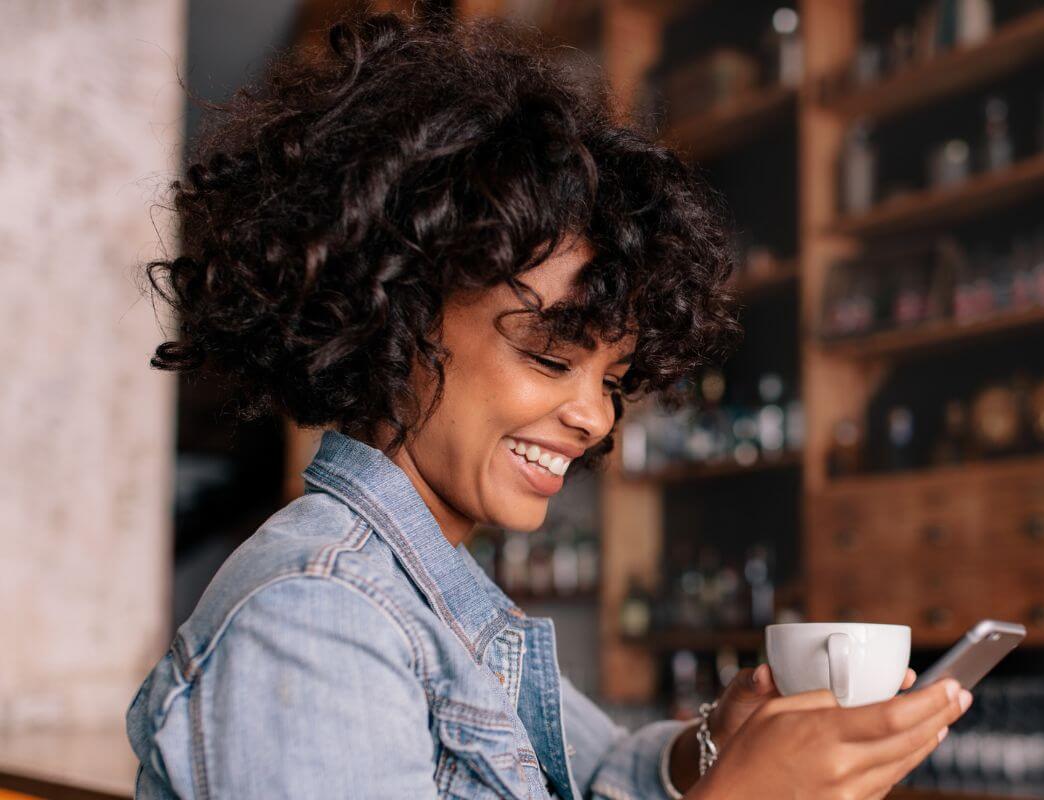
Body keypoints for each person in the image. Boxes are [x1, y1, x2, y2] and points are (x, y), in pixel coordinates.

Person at [126, 10, 970, 799]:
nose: (596, 418)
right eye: (549, 355)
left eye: (610, 378)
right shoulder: (315, 617)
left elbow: (597, 767)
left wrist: (711, 746)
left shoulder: (436, 596)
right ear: (396, 314)